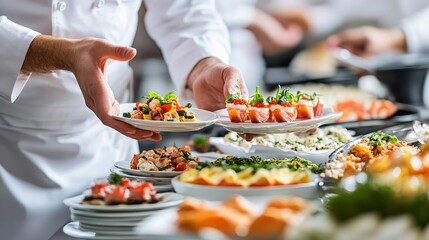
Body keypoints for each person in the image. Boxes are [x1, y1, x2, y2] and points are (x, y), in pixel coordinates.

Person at [0, 1, 247, 239]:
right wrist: (62, 54)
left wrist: (204, 64)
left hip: (109, 140)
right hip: (9, 148)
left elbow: (185, 9)